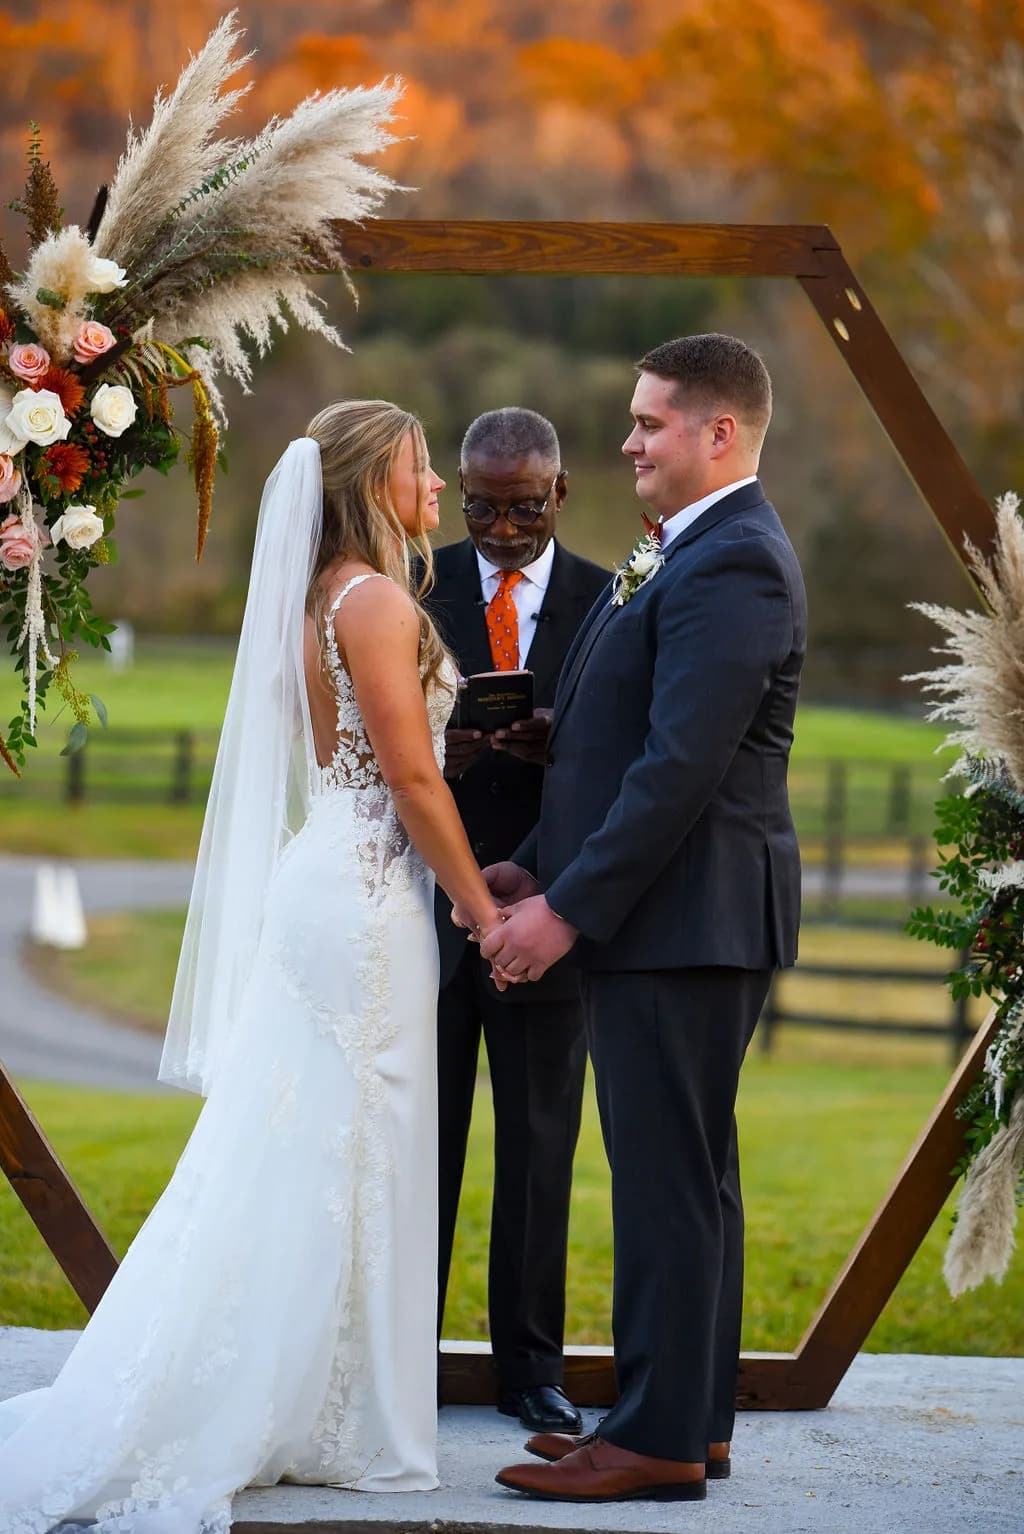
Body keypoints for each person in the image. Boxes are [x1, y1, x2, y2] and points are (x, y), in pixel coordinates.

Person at [0, 400, 510, 1532]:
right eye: (425, 470)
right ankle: (337, 1417)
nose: (439, 492)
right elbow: (411, 781)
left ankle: (313, 1404)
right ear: (380, 480)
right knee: (356, 1142)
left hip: (331, 877)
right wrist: (480, 909)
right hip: (364, 901)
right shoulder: (372, 600)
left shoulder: (322, 596)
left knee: (314, 1144)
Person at [470, 335, 807, 1503]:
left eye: (649, 423)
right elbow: (618, 735)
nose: (625, 442)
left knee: (668, 1180)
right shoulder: (683, 549)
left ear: (720, 434)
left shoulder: (736, 563)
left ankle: (657, 1439)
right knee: (686, 1176)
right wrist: (533, 861)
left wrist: (562, 911)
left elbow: (678, 771)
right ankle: (687, 1418)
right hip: (671, 913)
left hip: (689, 917)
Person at [423, 408, 609, 1434]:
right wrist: (434, 759)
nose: (500, 528)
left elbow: (629, 746)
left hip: (549, 907)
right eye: (483, 506)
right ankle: (403, 1353)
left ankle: (530, 1369)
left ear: (560, 493)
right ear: (459, 492)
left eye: (523, 507)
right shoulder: (413, 585)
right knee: (423, 1145)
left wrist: (557, 753)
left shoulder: (607, 598)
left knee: (539, 1149)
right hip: (427, 909)